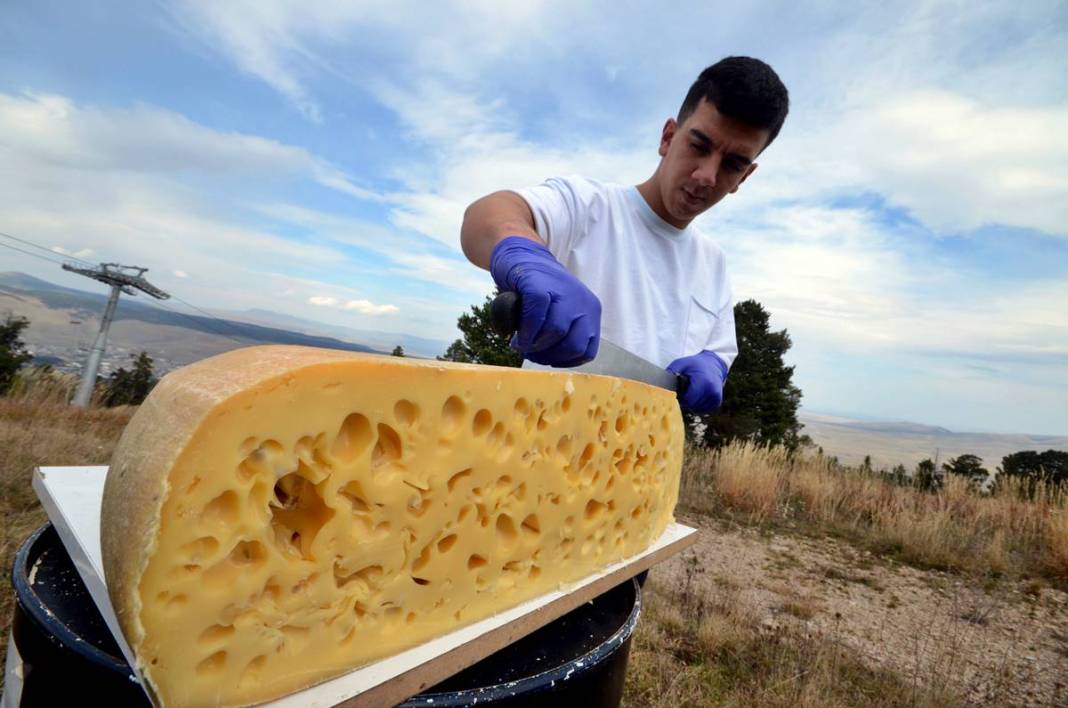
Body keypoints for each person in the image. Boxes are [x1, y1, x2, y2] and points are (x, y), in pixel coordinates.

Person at [460, 56, 789, 415]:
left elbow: (719, 350)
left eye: (733, 165)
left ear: (745, 177)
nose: (707, 176)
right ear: (668, 137)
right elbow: (486, 215)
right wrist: (525, 255)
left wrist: (713, 366)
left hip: (641, 464)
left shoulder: (714, 263)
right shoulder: (588, 205)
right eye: (699, 145)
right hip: (537, 455)